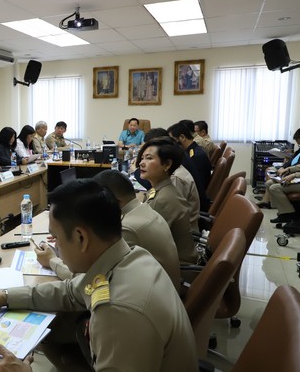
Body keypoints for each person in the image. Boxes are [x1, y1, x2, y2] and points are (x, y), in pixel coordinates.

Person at [0, 179, 198, 372]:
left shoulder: (118, 311)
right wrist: (4, 297)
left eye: (57, 239)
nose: (55, 248)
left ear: (81, 238)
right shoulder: (131, 257)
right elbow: (71, 291)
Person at [36, 170, 181, 292]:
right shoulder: (143, 209)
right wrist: (67, 239)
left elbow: (88, 281)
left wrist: (52, 260)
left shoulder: (127, 229)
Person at [137, 136, 198, 264]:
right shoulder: (162, 189)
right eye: (142, 158)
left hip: (176, 268)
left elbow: (144, 240)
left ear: (167, 164)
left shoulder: (163, 199)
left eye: (149, 158)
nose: (141, 163)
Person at [268, 126, 300, 223]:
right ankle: (291, 212)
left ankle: (288, 214)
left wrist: (294, 175)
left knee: (275, 188)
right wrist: (289, 169)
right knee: (272, 183)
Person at [168, 122, 212, 205]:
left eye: (172, 140)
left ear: (182, 137)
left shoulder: (196, 156)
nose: (171, 144)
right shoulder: (192, 150)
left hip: (195, 204)